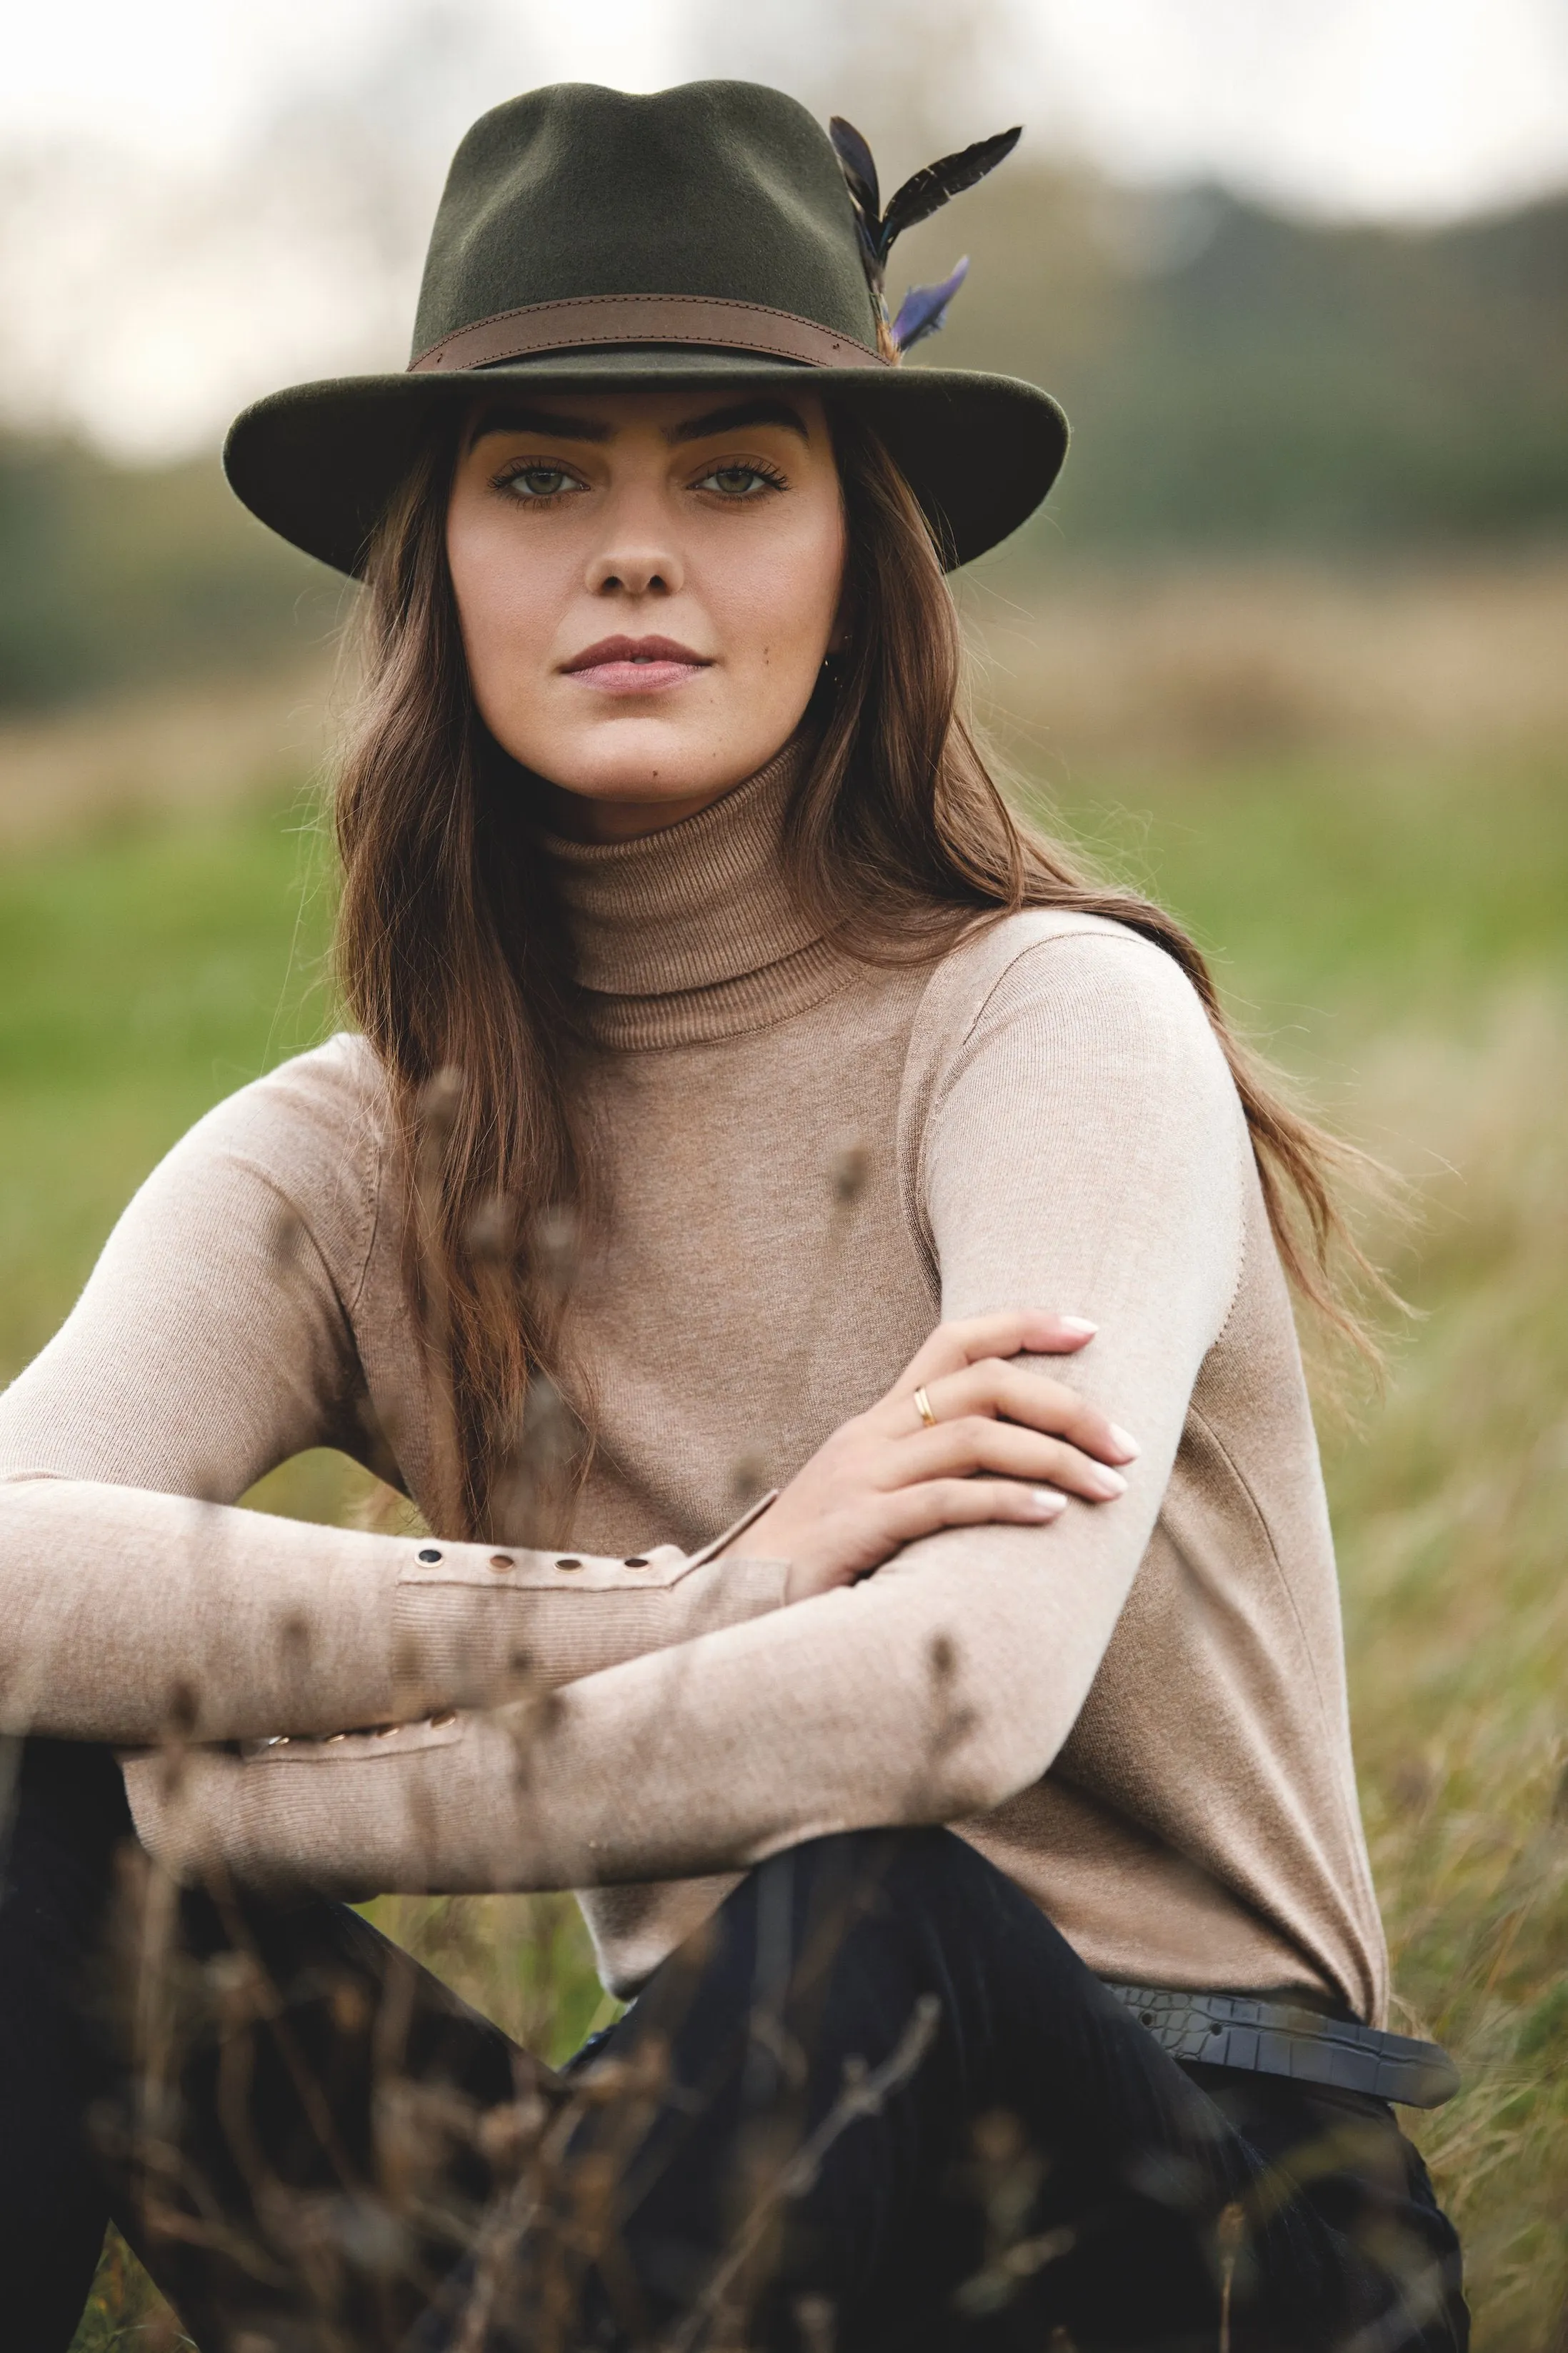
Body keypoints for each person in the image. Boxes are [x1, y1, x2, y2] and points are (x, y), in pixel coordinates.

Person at [0, 79, 1465, 2353]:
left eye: (736, 471)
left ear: (857, 554)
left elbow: (946, 1693)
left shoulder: (1053, 1029)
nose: (636, 548)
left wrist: (221, 1819)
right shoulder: (353, 1155)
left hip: (1188, 2186)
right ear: (439, 561)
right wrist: (709, 1589)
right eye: (545, 473)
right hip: (669, 2177)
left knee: (858, 1905)